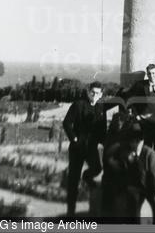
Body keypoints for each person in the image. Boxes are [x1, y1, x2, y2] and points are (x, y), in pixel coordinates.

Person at [101, 120, 155, 219]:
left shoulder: (149, 153)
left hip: (149, 187)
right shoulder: (126, 153)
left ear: (143, 141)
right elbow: (113, 163)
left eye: (138, 141)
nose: (135, 144)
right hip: (134, 187)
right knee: (133, 203)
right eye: (133, 141)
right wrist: (127, 159)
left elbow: (154, 174)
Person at [62, 81, 104, 216]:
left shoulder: (100, 108)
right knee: (73, 180)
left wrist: (107, 142)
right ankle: (70, 212)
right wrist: (74, 138)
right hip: (77, 148)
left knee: (97, 168)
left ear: (101, 94)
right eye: (92, 92)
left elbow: (102, 130)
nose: (94, 95)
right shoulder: (78, 105)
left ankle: (86, 177)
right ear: (88, 92)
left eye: (97, 93)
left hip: (91, 148)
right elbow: (67, 123)